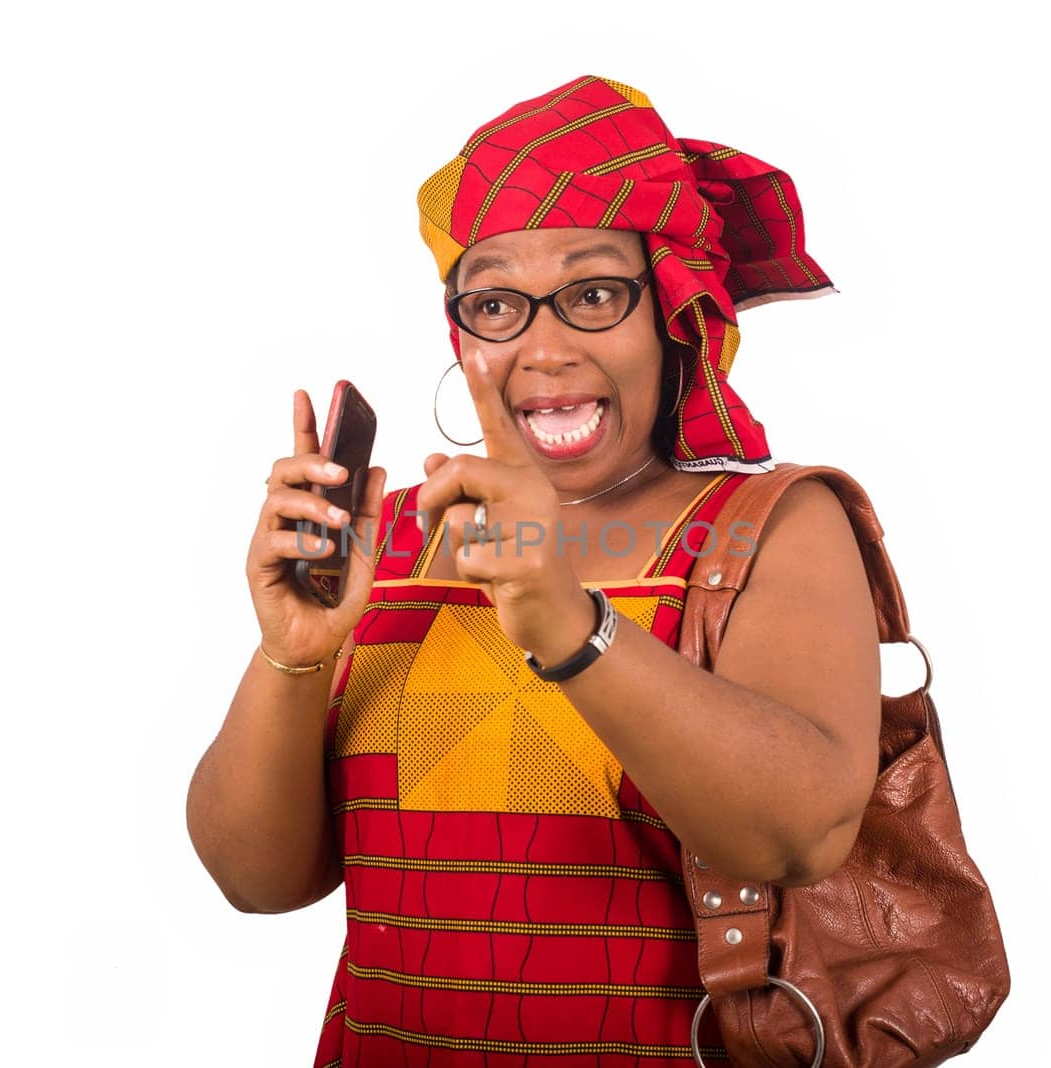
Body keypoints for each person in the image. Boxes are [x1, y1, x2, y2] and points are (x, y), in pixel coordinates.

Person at [187, 75, 882, 1065]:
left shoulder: (768, 525)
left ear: (672, 317)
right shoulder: (387, 545)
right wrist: (292, 655)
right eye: (498, 302)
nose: (543, 347)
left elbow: (797, 838)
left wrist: (568, 623)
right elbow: (255, 880)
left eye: (594, 294)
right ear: (462, 334)